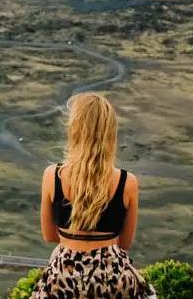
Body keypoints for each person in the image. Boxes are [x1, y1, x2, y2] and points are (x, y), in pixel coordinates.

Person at [31, 92, 154, 299]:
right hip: (113, 280)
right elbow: (124, 243)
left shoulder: (52, 176)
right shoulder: (127, 182)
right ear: (110, 133)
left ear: (75, 129)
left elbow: (49, 235)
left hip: (64, 278)